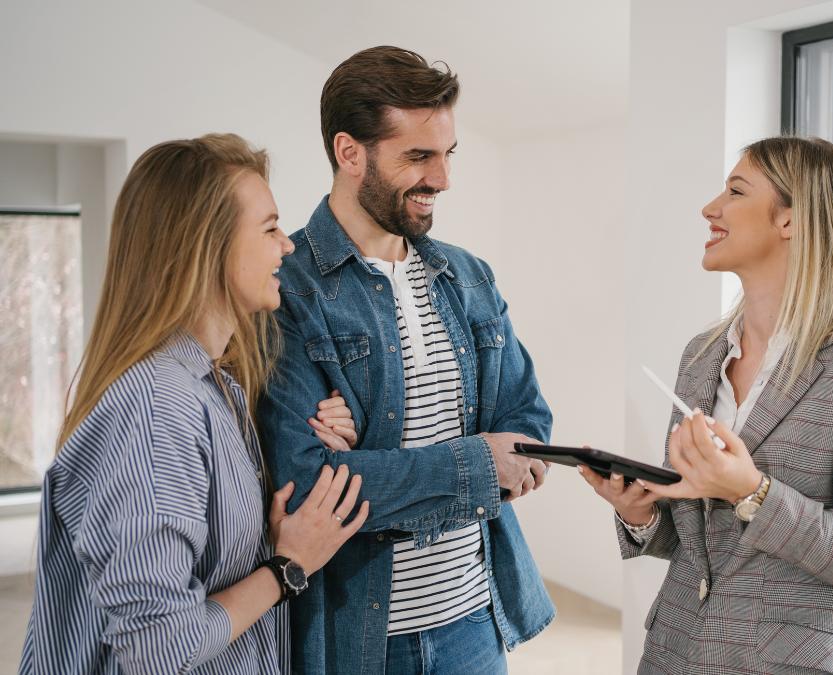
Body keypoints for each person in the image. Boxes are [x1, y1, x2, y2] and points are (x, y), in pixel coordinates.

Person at [19, 134, 368, 674]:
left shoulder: (215, 384)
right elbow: (159, 646)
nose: (288, 245)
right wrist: (286, 568)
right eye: (269, 228)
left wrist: (311, 433)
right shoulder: (157, 407)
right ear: (208, 246)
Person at [256, 46, 554, 674]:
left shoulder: (469, 277)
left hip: (475, 618)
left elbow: (527, 419)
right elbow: (308, 486)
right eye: (418, 157)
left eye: (447, 154)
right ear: (349, 152)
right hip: (360, 638)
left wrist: (367, 461)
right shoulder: (287, 288)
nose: (442, 179)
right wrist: (478, 463)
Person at [581, 136, 833, 675]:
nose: (710, 208)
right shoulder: (701, 356)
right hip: (677, 655)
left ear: (790, 219)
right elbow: (704, 541)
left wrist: (753, 492)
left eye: (735, 191)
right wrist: (642, 512)